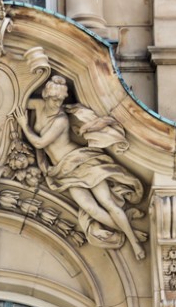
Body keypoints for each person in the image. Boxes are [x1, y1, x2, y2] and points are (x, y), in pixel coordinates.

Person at [16, 76, 146, 260]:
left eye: (60, 100)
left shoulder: (61, 119)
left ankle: (134, 242)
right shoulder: (38, 105)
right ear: (46, 95)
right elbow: (16, 99)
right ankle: (129, 231)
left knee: (107, 202)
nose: (57, 103)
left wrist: (24, 125)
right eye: (54, 99)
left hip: (80, 162)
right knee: (91, 208)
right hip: (63, 171)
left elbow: (39, 143)